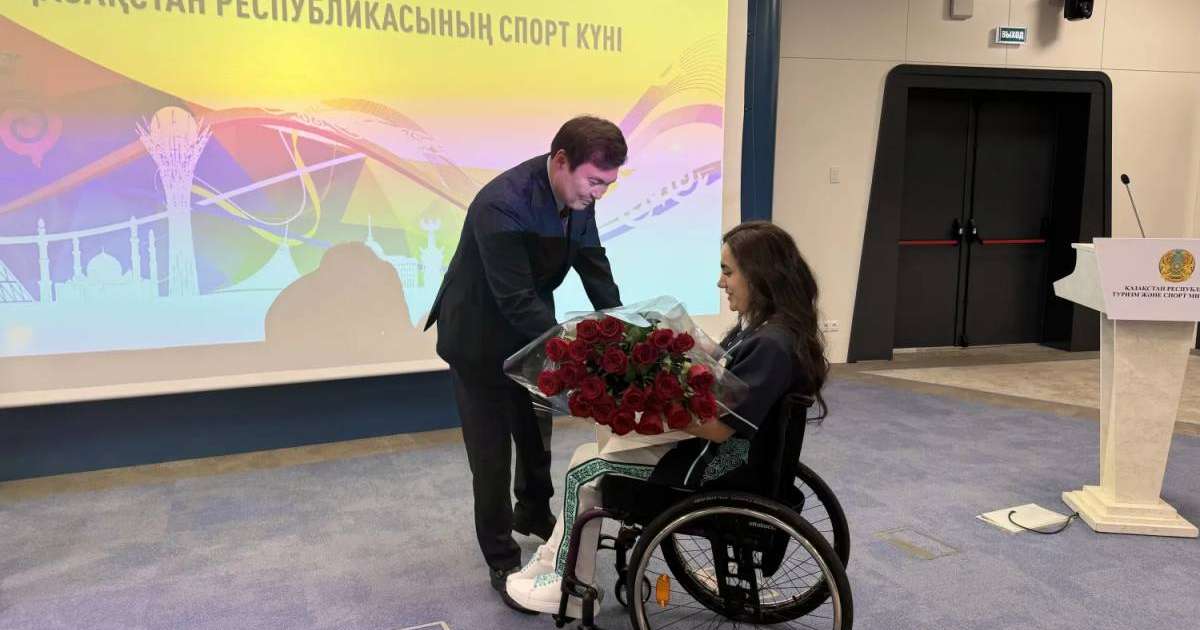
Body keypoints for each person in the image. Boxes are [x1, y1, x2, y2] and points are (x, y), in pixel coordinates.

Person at [504, 221, 830, 616]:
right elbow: (725, 375)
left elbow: (718, 425)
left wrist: (644, 408)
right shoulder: (768, 331)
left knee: (583, 471)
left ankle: (567, 586)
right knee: (588, 456)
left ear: (760, 274)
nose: (720, 282)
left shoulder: (770, 345)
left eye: (728, 271)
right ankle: (558, 563)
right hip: (733, 457)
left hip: (718, 467)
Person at [423, 116, 627, 613]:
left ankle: (533, 512)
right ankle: (500, 557)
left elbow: (593, 267)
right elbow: (513, 300)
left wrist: (624, 331)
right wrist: (579, 353)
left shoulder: (580, 200)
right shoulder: (503, 203)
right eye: (594, 181)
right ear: (560, 161)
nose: (599, 193)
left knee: (535, 431)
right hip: (479, 337)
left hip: (531, 328)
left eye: (608, 183)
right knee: (491, 453)